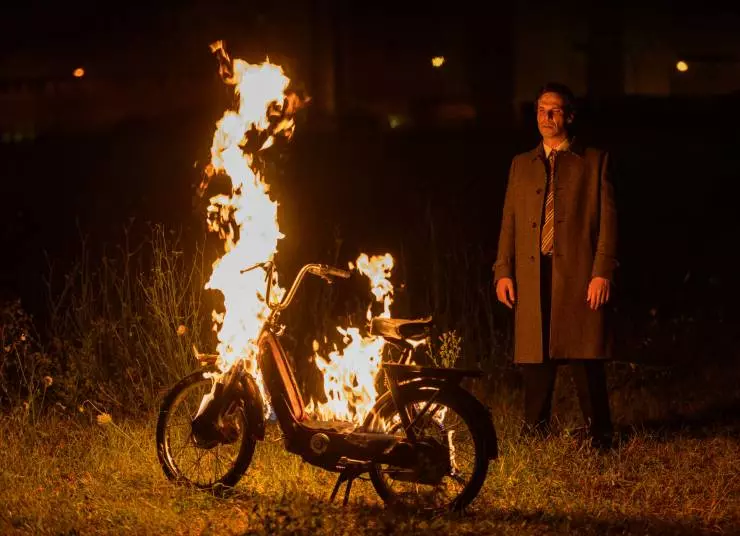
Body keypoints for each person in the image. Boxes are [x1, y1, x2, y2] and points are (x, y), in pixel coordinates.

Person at [492, 82, 618, 450]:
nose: (546, 117)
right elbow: (509, 221)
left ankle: (599, 434)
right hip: (533, 272)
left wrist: (602, 272)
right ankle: (535, 431)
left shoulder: (594, 160)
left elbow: (609, 222)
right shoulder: (522, 164)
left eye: (555, 110)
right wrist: (503, 270)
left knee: (584, 353)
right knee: (536, 355)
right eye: (541, 110)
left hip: (579, 271)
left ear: (570, 116)